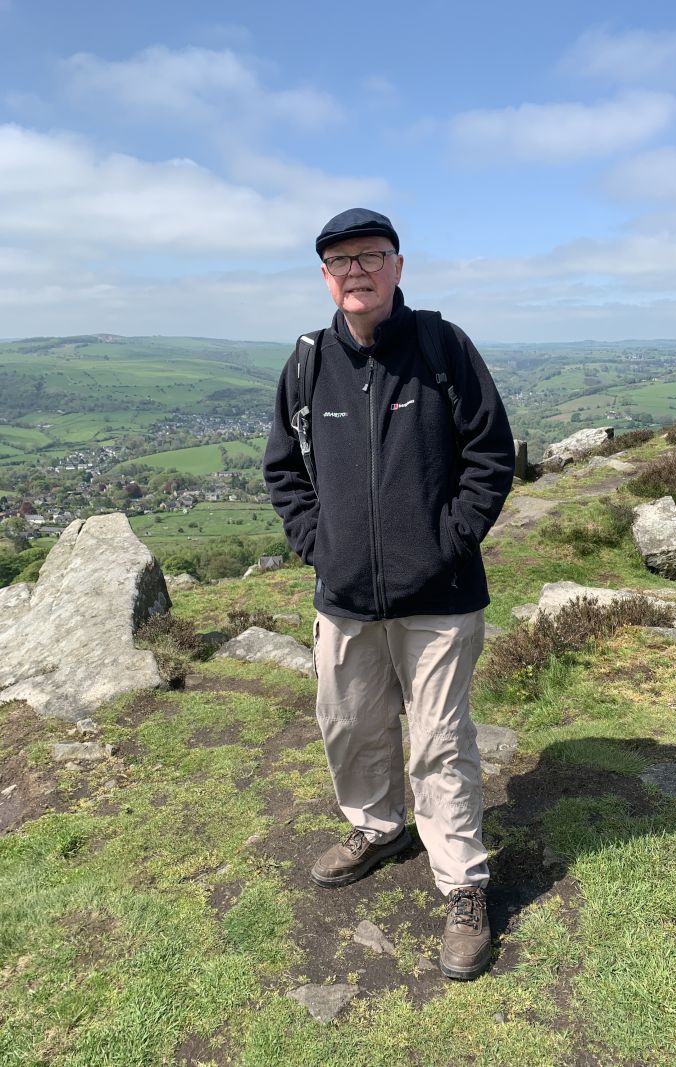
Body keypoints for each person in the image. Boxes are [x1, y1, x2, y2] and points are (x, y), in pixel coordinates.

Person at [263, 208, 515, 980]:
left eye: (370, 256)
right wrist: (322, 547)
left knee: (439, 741)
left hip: (440, 598)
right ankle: (377, 828)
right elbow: (284, 473)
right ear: (325, 277)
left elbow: (491, 453)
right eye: (340, 261)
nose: (355, 271)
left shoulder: (442, 347)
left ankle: (463, 883)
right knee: (347, 723)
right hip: (344, 597)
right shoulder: (307, 364)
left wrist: (448, 542)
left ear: (398, 266)